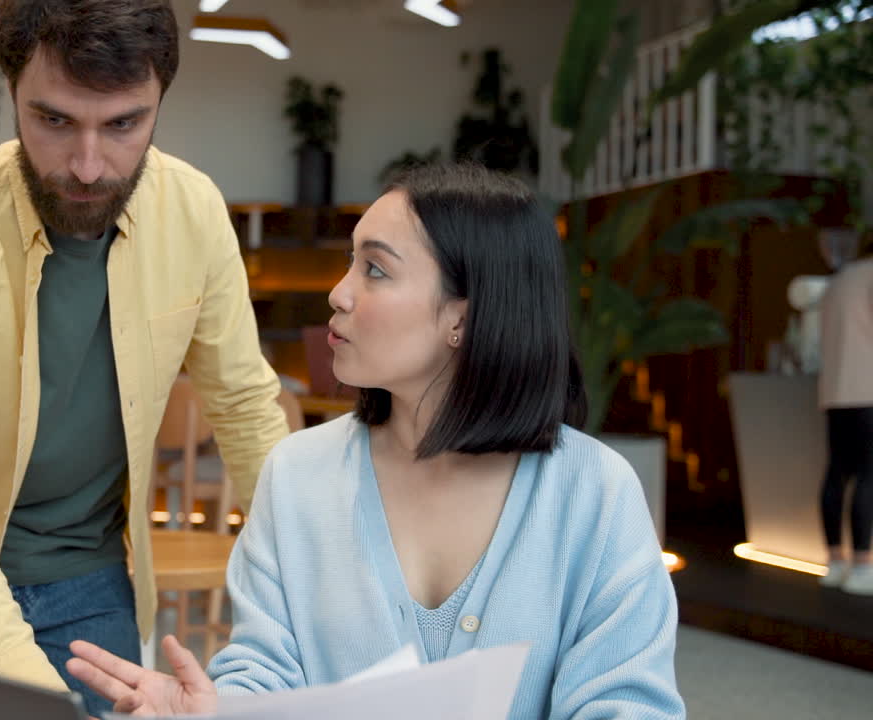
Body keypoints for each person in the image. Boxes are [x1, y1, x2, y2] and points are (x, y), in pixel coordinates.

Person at [66, 163, 685, 719]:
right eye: (349, 261)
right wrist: (217, 714)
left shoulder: (593, 493)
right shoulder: (298, 472)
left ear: (462, 319)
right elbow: (266, 674)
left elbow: (630, 707)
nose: (338, 293)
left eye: (376, 269)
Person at [0, 1, 288, 715]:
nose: (87, 165)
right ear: (13, 93)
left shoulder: (194, 213)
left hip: (90, 580)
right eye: (53, 121)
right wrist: (48, 704)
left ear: (159, 101)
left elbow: (243, 409)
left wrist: (321, 590)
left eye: (122, 125)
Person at [817, 240, 873, 594]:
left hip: (834, 391)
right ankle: (863, 566)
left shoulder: (838, 280)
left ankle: (835, 562)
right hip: (868, 389)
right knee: (869, 475)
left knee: (838, 473)